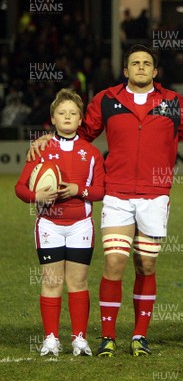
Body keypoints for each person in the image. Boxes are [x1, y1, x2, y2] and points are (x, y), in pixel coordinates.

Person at [29, 44, 183, 357]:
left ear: (155, 71)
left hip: (155, 194)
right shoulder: (107, 99)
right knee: (114, 262)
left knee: (146, 265)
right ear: (126, 70)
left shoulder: (173, 103)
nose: (141, 68)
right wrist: (48, 139)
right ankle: (108, 337)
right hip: (117, 193)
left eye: (147, 63)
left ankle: (139, 337)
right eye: (135, 63)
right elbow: (80, 132)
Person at [16, 88, 105, 357]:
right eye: (61, 113)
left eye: (73, 113)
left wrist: (79, 189)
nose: (67, 117)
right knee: (52, 281)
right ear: (52, 119)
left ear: (80, 120)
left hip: (81, 225)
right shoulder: (41, 150)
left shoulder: (91, 153)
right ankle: (51, 339)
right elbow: (20, 188)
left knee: (78, 282)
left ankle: (79, 339)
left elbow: (101, 190)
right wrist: (36, 196)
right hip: (49, 225)